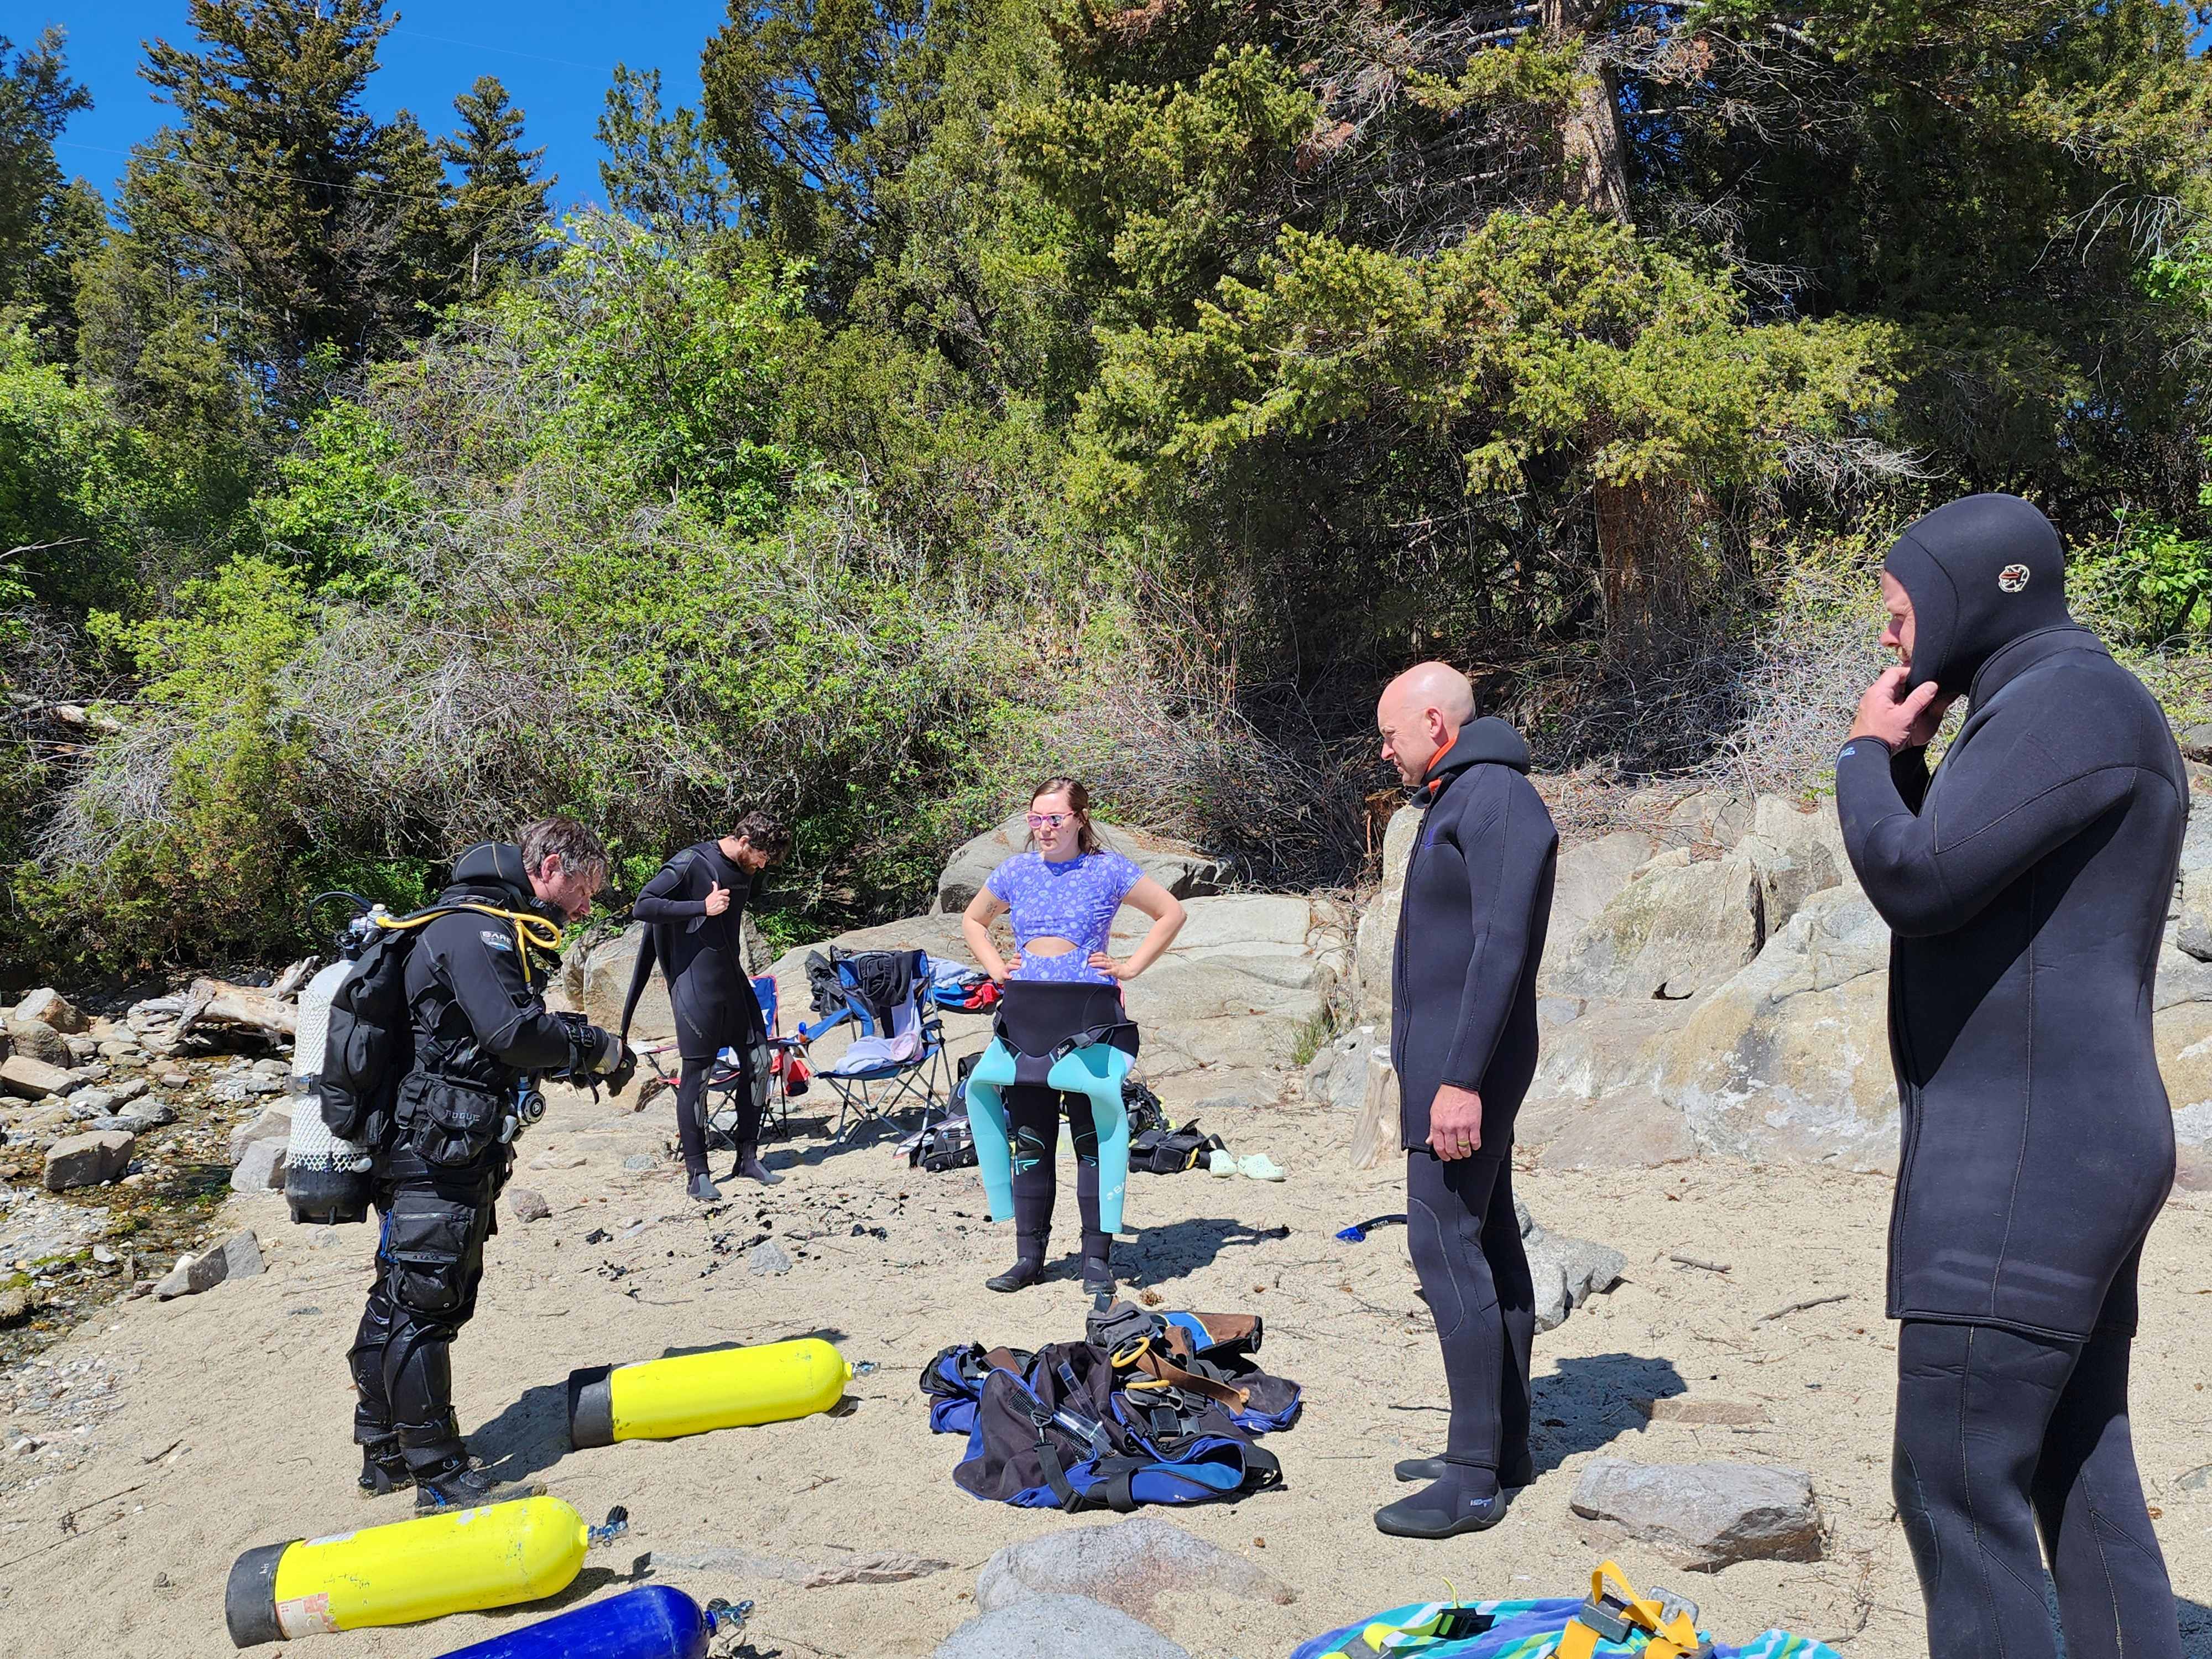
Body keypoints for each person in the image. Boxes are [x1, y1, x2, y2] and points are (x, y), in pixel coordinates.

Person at [1837, 493, 2184, 1659]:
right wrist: (1919, 761)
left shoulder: (2066, 705)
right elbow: (1982, 887)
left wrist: (1865, 757)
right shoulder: (2057, 706)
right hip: (2065, 1141)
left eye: (1898, 613)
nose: (1888, 638)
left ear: (1974, 595)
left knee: (1950, 1482)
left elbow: (1916, 881)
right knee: (2077, 1473)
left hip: (2027, 1157)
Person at [350, 817, 634, 1510]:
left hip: (430, 1144)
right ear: (552, 865)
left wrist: (567, 1054)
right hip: (433, 1150)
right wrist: (597, 1047)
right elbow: (512, 1033)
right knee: (424, 1308)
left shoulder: (468, 923)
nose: (586, 907)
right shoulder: (473, 927)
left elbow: (481, 1041)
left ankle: (383, 1450)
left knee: (400, 1297)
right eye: (585, 888)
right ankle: (440, 1473)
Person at [1371, 661, 1556, 1540]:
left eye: (1392, 734)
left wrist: (1460, 1081)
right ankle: (1505, 1446)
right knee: (1484, 1236)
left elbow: (1501, 948)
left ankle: (1473, 1476)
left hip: (1465, 1069)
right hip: (1451, 1065)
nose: (1385, 750)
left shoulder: (1498, 802)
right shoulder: (1459, 797)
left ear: (1436, 724)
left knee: (1441, 1243)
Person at [959, 778, 1186, 1294]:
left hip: (1087, 1017)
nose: (1044, 829)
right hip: (1027, 1016)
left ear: (1080, 818)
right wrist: (997, 968)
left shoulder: (1107, 869)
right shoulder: (1016, 870)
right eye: (1035, 819)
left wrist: (1130, 966)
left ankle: (1096, 1261)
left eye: (1054, 818)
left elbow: (1170, 912)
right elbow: (974, 920)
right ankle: (1028, 1258)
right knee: (1031, 1141)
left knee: (1091, 1141)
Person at [623, 811, 793, 1202]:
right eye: (764, 856)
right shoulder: (692, 863)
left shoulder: (745, 869)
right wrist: (701, 907)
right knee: (696, 1077)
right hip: (695, 988)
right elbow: (644, 906)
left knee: (759, 1063)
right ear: (746, 842)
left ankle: (747, 1158)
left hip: (733, 983)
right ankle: (698, 1172)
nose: (765, 866)